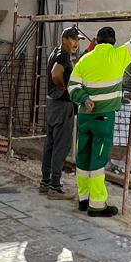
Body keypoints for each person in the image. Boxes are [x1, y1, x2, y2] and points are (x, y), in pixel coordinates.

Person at [68, 0, 131, 218]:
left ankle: (83, 198)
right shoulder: (118, 56)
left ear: (96, 42)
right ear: (113, 42)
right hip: (104, 119)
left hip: (85, 117)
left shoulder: (85, 60)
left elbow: (72, 86)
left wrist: (84, 97)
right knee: (97, 161)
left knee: (83, 157)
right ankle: (97, 205)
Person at [39, 26, 86, 200]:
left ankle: (45, 182)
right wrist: (62, 86)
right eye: (73, 39)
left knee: (50, 144)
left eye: (78, 40)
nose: (76, 43)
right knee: (61, 146)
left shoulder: (55, 52)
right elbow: (56, 73)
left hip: (52, 104)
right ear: (64, 38)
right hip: (62, 105)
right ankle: (55, 186)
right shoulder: (64, 55)